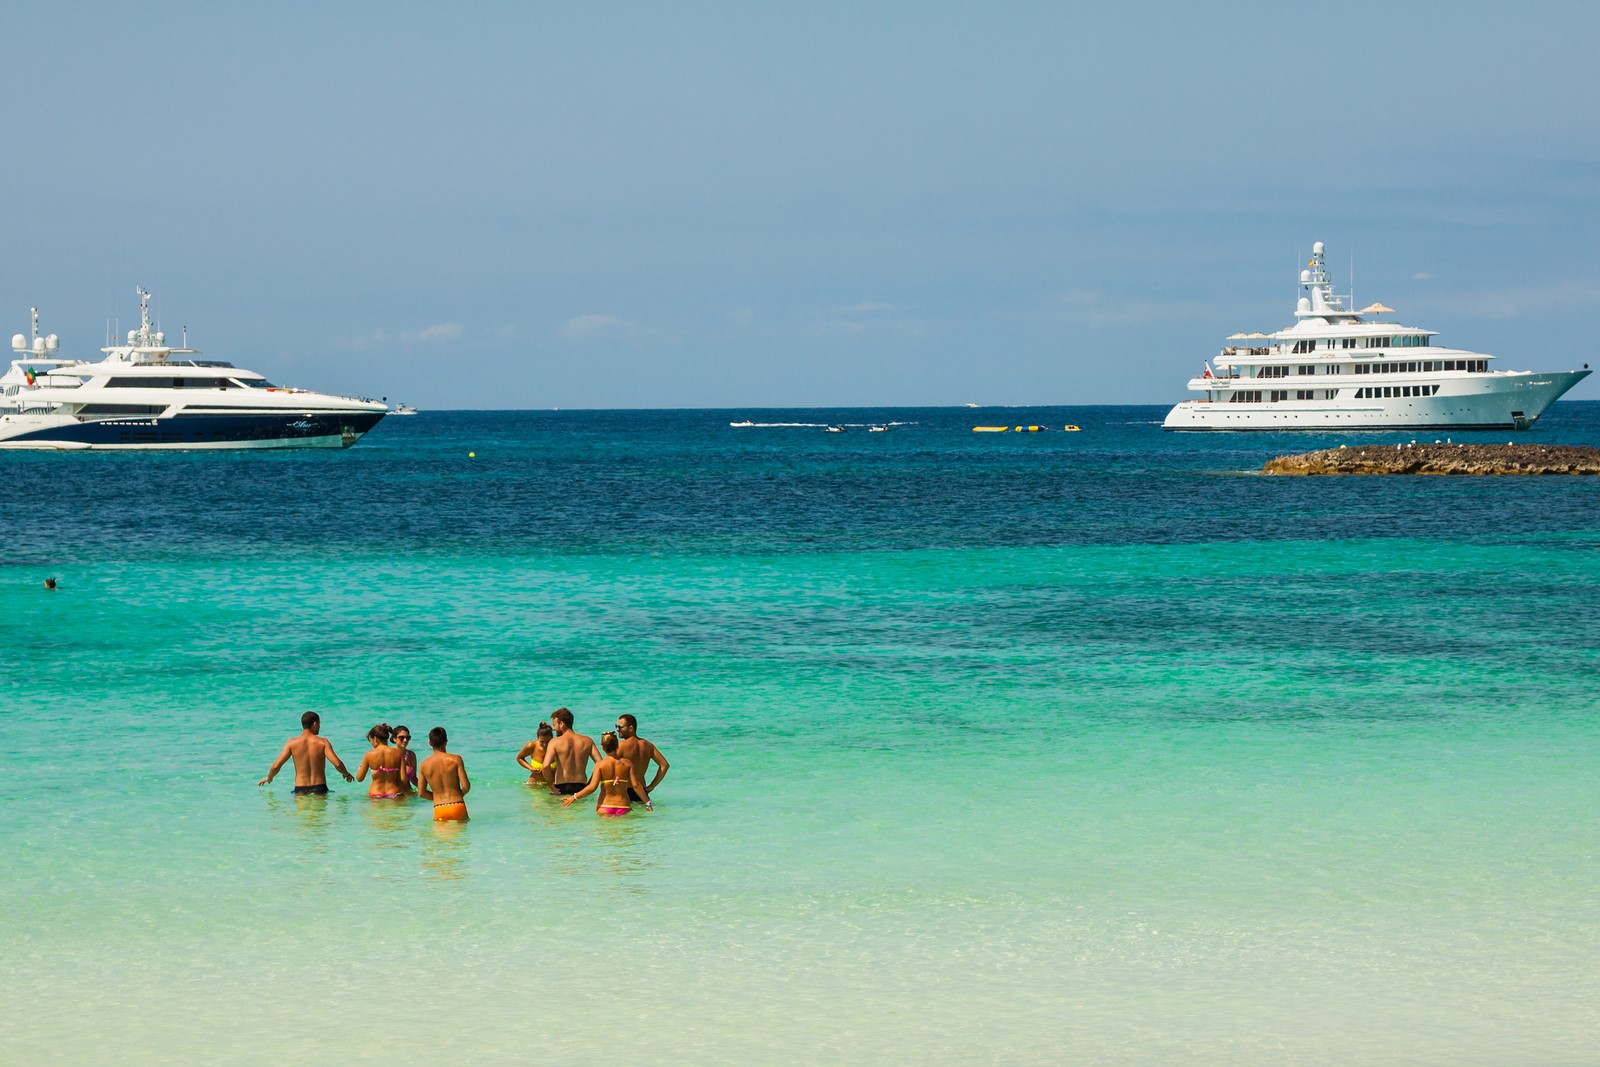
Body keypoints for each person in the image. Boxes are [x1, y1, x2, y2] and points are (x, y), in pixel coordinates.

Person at [258, 711, 355, 793]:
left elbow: (276, 766)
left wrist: (269, 778)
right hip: (319, 788)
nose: (319, 727)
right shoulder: (323, 742)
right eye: (319, 724)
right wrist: (346, 773)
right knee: (319, 815)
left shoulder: (292, 743)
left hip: (300, 789)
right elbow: (337, 763)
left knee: (302, 815)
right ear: (315, 724)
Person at [563, 732, 651, 816]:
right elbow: (636, 785)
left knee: (605, 831)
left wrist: (574, 797)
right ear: (617, 745)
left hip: (605, 806)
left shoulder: (600, 764)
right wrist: (648, 803)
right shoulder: (627, 764)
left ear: (602, 747)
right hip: (623, 806)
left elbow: (592, 787)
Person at [542, 707, 600, 796]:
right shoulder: (587, 741)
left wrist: (551, 786)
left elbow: (545, 766)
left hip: (561, 787)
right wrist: (590, 784)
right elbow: (600, 763)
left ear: (561, 724)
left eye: (554, 725)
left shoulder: (554, 742)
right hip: (581, 787)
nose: (553, 729)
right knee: (579, 810)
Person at [417, 726, 470, 822]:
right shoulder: (456, 759)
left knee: (441, 837)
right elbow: (466, 786)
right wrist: (457, 796)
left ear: (430, 743)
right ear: (446, 741)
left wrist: (438, 798)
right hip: (457, 805)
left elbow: (421, 793)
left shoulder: (424, 765)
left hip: (439, 807)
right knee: (461, 836)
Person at [614, 714, 669, 803]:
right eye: (616, 726)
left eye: (620, 727)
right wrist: (652, 786)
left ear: (631, 728)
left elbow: (609, 767)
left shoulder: (621, 746)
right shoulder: (648, 745)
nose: (617, 729)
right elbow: (664, 765)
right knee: (640, 816)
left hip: (625, 793)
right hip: (642, 793)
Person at [354, 723, 408, 800]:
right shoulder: (398, 753)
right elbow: (404, 779)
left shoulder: (369, 755)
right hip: (394, 793)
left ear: (375, 738)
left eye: (371, 740)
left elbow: (359, 778)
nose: (372, 743)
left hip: (375, 794)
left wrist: (360, 767)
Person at [515, 722, 555, 788]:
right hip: (535, 783)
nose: (545, 745)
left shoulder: (557, 746)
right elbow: (519, 758)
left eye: (548, 741)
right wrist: (530, 768)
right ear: (537, 738)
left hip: (554, 783)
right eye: (542, 742)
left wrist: (553, 769)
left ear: (552, 738)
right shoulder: (531, 746)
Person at [393, 725, 418, 790]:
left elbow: (414, 779)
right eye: (401, 737)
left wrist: (426, 788)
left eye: (408, 737)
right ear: (394, 739)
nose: (405, 740)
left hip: (409, 793)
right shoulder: (390, 755)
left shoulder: (411, 755)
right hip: (394, 795)